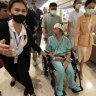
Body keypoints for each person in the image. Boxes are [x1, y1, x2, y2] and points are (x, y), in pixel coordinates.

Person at [0, 0, 46, 96]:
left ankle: (31, 91)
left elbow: (33, 44)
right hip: (8, 60)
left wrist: (42, 52)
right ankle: (17, 80)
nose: (20, 13)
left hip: (22, 57)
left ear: (26, 13)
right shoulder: (3, 27)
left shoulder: (27, 31)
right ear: (9, 11)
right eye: (17, 10)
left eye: (23, 11)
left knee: (25, 76)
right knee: (15, 74)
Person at [45, 23, 82, 96]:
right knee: (61, 70)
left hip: (65, 58)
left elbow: (69, 52)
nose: (53, 30)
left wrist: (67, 61)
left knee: (70, 70)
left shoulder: (66, 40)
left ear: (61, 30)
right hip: (55, 58)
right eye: (53, 28)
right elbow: (48, 52)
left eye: (55, 29)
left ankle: (72, 85)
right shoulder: (50, 39)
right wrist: (55, 58)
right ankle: (60, 89)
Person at [73, 0, 96, 79]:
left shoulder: (94, 17)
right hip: (82, 41)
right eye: (90, 7)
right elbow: (76, 32)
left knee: (86, 57)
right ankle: (81, 70)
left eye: (93, 8)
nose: (91, 9)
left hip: (90, 41)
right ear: (85, 7)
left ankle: (81, 68)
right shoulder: (80, 18)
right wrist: (75, 44)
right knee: (82, 58)